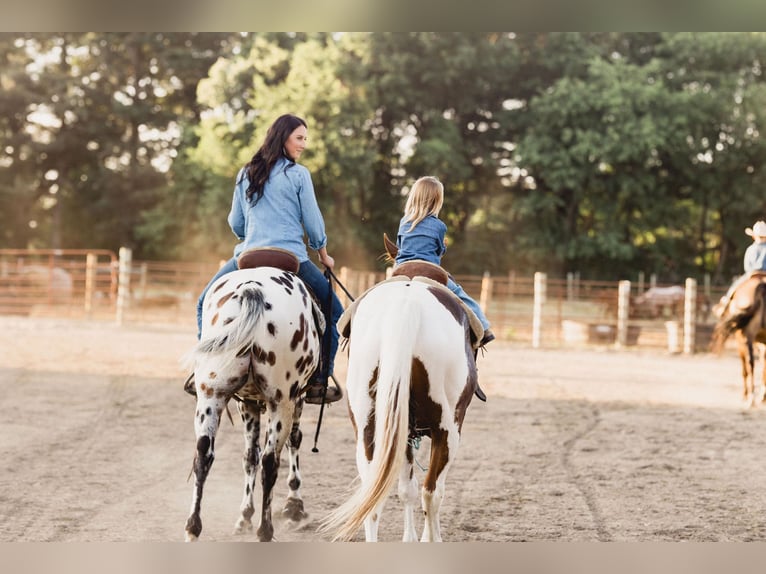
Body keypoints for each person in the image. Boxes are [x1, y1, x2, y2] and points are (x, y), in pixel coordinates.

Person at [192, 113, 343, 404]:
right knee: (334, 311)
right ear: (283, 137)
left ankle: (202, 369)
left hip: (248, 257)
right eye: (299, 138)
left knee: (204, 301)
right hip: (291, 258)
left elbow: (236, 223)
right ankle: (320, 379)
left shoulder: (246, 172)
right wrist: (324, 254)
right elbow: (313, 223)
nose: (304, 144)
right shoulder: (299, 175)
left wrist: (254, 232)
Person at [395, 175, 494, 346]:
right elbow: (438, 251)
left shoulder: (404, 222)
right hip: (428, 273)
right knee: (461, 295)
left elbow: (399, 247)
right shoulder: (439, 226)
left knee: (379, 291)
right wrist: (443, 247)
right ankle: (484, 328)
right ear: (436, 201)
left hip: (402, 271)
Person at [714, 219, 766, 318]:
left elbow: (747, 267)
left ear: (754, 236)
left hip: (752, 275)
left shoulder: (751, 249)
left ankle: (725, 304)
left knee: (735, 287)